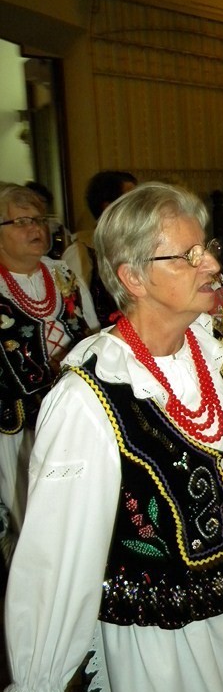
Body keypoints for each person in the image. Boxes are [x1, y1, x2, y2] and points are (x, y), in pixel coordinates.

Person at [0, 182, 223, 692]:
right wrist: (41, 682)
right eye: (187, 256)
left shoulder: (213, 351)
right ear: (132, 277)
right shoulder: (90, 397)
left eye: (208, 249)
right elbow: (58, 557)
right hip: (161, 637)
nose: (211, 266)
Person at [0, 182, 98, 542]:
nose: (36, 229)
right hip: (14, 426)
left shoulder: (63, 274)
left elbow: (90, 332)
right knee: (27, 522)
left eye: (39, 220)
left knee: (72, 513)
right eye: (22, 221)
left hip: (69, 415)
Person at [63, 170, 137, 326]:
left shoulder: (139, 244)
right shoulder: (81, 251)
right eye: (130, 198)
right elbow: (76, 309)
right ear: (108, 207)